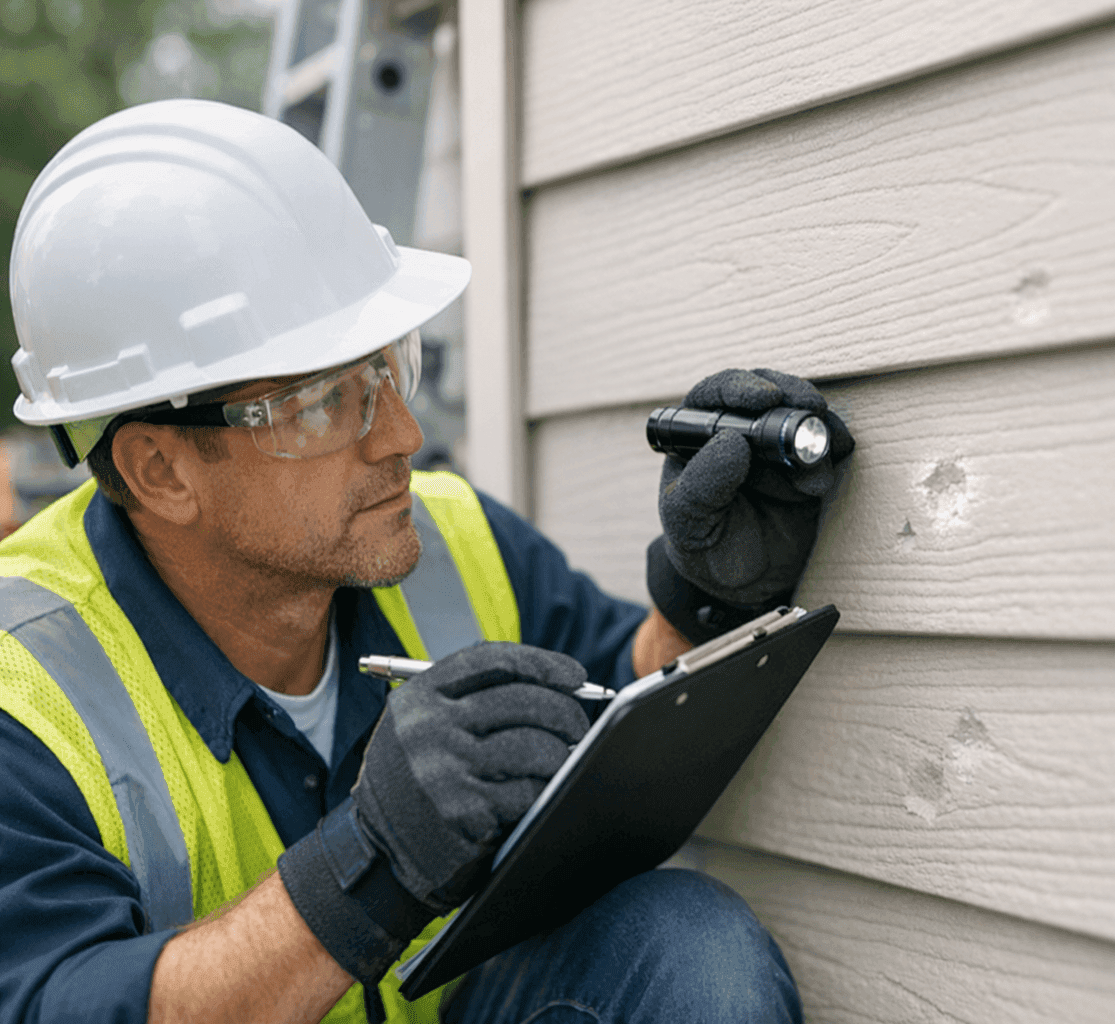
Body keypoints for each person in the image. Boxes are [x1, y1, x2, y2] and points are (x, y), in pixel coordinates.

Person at [0, 100, 852, 1024]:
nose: (402, 436)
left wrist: (705, 600)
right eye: (325, 403)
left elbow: (614, 707)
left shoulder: (446, 540)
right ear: (160, 470)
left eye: (387, 369)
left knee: (685, 944)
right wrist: (368, 862)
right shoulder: (28, 698)